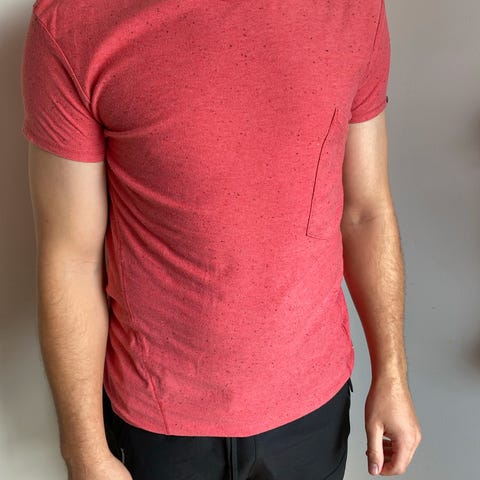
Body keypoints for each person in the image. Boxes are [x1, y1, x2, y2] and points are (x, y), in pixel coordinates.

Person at [21, 0, 421, 479]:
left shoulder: (353, 10)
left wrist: (392, 374)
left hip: (313, 408)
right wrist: (83, 451)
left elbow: (366, 212)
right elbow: (71, 258)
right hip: (159, 422)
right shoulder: (74, 21)